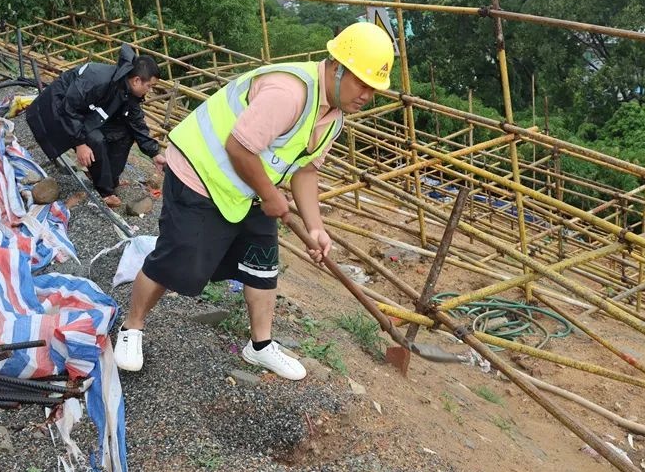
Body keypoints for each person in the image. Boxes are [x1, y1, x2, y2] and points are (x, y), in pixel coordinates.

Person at [114, 22, 394, 379]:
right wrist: (271, 195)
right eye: (362, 83)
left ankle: (259, 346)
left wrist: (316, 227)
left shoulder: (333, 117)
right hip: (201, 172)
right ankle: (131, 327)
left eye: (375, 89)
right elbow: (239, 146)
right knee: (177, 259)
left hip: (248, 186)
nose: (367, 95)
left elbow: (305, 171)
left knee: (262, 265)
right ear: (337, 67)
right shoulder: (290, 92)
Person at [26, 43, 166, 206]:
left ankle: (109, 180)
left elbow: (136, 123)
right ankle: (104, 192)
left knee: (126, 133)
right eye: (149, 86)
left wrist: (154, 153)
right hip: (57, 112)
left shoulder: (127, 89)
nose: (149, 91)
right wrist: (80, 143)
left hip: (85, 114)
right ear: (136, 80)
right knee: (95, 139)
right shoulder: (97, 79)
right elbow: (68, 107)